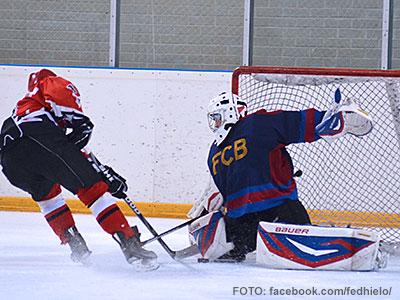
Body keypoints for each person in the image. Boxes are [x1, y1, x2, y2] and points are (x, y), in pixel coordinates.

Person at [188, 91, 373, 262]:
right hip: (251, 216)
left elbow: (297, 123)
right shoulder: (215, 150)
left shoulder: (255, 124)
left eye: (217, 118)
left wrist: (328, 120)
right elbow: (219, 192)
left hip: (276, 209)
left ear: (230, 113)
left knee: (299, 242)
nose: (215, 124)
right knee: (222, 251)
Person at [0, 69, 158, 269]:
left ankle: (76, 245)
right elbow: (82, 129)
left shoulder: (23, 109)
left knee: (49, 198)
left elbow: (64, 152)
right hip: (38, 139)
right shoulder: (50, 82)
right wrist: (100, 176)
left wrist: (99, 170)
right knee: (93, 191)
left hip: (10, 160)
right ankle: (129, 244)